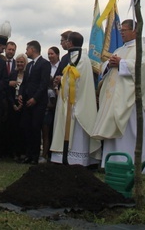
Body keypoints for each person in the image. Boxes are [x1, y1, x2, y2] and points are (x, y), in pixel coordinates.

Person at [93, 20, 145, 173]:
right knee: (114, 134)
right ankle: (112, 164)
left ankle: (135, 166)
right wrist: (109, 64)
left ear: (135, 30)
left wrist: (122, 63)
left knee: (131, 133)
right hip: (115, 100)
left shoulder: (143, 48)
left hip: (132, 101)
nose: (122, 33)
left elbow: (144, 68)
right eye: (121, 30)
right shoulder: (119, 49)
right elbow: (106, 68)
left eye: (124, 30)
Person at [49, 32, 100, 165]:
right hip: (68, 100)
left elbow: (77, 79)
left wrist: (62, 78)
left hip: (78, 102)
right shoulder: (74, 57)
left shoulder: (82, 59)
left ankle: (76, 159)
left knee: (77, 132)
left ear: (70, 43)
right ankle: (63, 156)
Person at [18, 40, 51, 165]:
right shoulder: (29, 65)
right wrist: (21, 94)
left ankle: (35, 156)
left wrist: (35, 98)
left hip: (38, 103)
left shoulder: (44, 64)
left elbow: (43, 84)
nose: (26, 52)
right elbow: (25, 83)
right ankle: (28, 154)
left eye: (27, 49)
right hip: (27, 102)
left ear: (33, 49)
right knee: (27, 128)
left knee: (35, 128)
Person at [7, 53, 27, 160]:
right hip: (13, 104)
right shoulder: (12, 74)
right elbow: (8, 91)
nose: (19, 64)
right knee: (13, 129)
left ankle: (22, 151)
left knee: (23, 129)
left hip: (24, 105)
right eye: (18, 62)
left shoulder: (28, 74)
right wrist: (13, 104)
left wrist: (21, 103)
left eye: (21, 62)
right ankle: (13, 152)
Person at [42, 45, 60, 160]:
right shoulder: (46, 67)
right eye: (48, 54)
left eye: (52, 54)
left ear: (57, 55)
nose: (50, 56)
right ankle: (45, 153)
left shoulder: (61, 66)